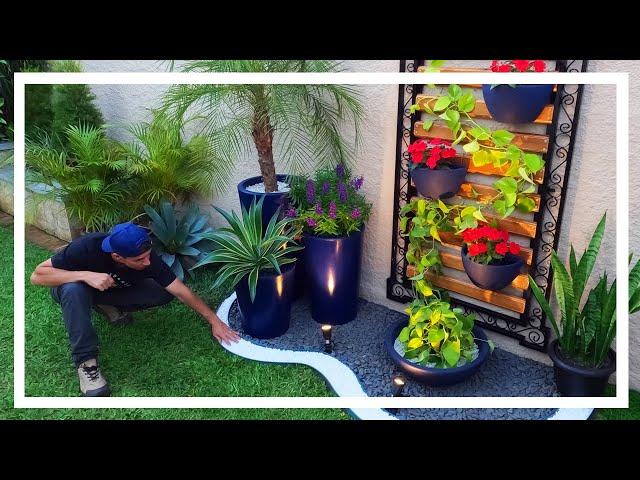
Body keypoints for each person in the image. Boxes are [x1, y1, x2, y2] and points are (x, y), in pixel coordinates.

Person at [30, 222, 240, 397]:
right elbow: (38, 275)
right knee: (74, 290)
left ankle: (106, 304)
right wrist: (85, 276)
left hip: (106, 291)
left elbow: (179, 290)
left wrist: (214, 320)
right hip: (72, 290)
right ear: (117, 257)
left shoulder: (147, 257)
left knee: (161, 292)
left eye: (148, 255)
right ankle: (86, 363)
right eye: (139, 260)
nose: (147, 262)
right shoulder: (85, 247)